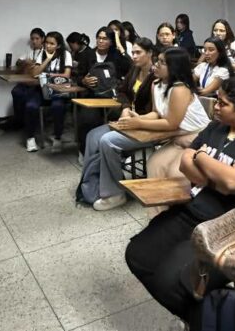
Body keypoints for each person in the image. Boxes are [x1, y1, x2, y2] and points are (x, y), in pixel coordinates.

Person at [126, 75, 235, 326]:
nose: (216, 107)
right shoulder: (216, 128)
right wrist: (213, 178)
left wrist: (202, 159)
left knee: (173, 281)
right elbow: (185, 161)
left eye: (222, 103)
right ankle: (197, 315)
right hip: (196, 210)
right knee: (137, 254)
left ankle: (204, 318)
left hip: (230, 228)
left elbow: (232, 182)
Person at [85, 48, 210, 211]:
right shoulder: (156, 84)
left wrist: (137, 124)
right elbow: (157, 114)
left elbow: (171, 122)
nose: (156, 65)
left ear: (175, 67)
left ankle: (166, 206)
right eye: (158, 60)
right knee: (150, 162)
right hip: (175, 133)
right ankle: (154, 208)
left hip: (195, 134)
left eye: (162, 62)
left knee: (110, 142)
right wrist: (136, 118)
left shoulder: (180, 89)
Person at [77, 37, 157, 205]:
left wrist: (133, 115)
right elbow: (122, 92)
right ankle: (91, 185)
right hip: (128, 119)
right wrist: (126, 108)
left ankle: (114, 191)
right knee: (92, 136)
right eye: (133, 52)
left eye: (138, 53)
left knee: (107, 141)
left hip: (145, 124)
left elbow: (156, 110)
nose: (134, 56)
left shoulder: (156, 75)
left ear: (149, 53)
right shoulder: (134, 71)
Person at [76, 27, 132, 157]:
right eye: (99, 38)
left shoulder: (116, 56)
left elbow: (130, 67)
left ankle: (120, 153)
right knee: (88, 119)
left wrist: (120, 46)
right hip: (91, 96)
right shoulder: (87, 54)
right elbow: (77, 76)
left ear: (111, 41)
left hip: (113, 96)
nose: (100, 41)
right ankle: (85, 152)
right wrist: (83, 81)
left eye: (105, 38)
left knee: (121, 118)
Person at [24, 31, 73, 153]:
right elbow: (35, 73)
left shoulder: (66, 54)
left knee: (58, 106)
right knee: (30, 106)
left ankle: (57, 138)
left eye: (52, 44)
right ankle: (30, 138)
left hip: (58, 90)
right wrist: (48, 59)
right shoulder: (42, 53)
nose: (48, 46)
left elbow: (66, 74)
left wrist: (47, 74)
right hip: (42, 89)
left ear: (59, 45)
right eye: (46, 43)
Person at [0, 28, 46, 132]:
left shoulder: (46, 53)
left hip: (38, 83)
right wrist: (26, 63)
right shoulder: (31, 52)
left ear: (42, 39)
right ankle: (19, 120)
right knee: (16, 91)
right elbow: (18, 62)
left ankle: (23, 121)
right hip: (28, 81)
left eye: (37, 38)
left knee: (25, 94)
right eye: (32, 39)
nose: (34, 41)